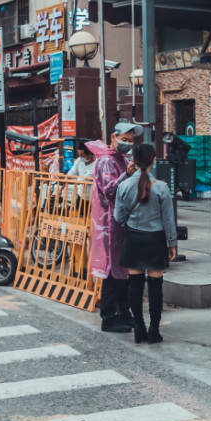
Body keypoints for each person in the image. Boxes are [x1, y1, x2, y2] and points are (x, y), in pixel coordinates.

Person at [114, 143, 177, 344]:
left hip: (133, 237)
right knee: (156, 284)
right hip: (156, 239)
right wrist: (172, 243)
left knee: (135, 284)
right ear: (153, 159)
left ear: (134, 160)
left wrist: (130, 224)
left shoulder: (123, 185)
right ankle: (154, 331)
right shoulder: (161, 187)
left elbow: (118, 216)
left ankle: (138, 328)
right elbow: (168, 219)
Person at [87, 123, 141, 333]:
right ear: (114, 137)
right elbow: (109, 192)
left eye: (131, 140)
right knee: (112, 272)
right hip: (110, 225)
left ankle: (124, 314)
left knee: (123, 272)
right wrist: (125, 175)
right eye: (125, 139)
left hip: (122, 224)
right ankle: (109, 318)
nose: (128, 144)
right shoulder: (107, 162)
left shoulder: (121, 160)